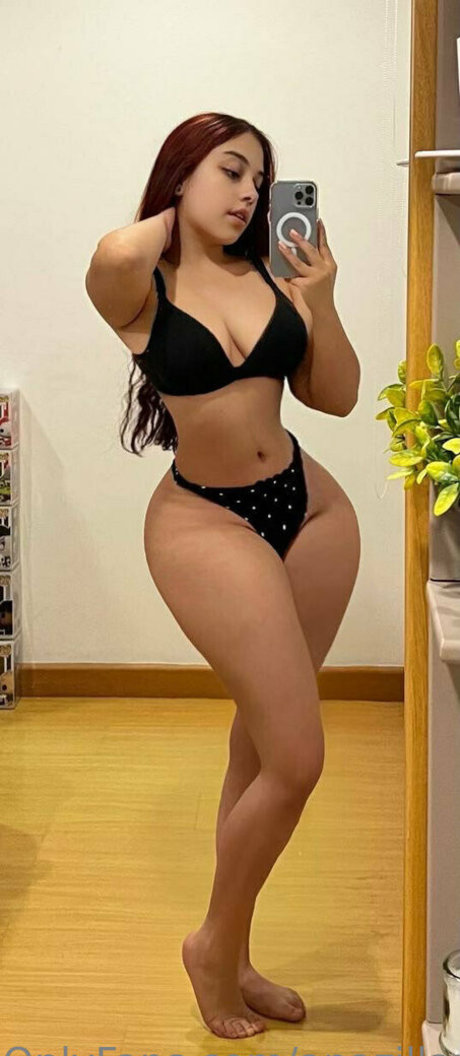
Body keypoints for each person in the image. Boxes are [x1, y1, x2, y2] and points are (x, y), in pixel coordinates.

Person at [85, 111, 361, 1040]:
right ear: (182, 176)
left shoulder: (274, 277)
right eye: (232, 172)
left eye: (261, 180)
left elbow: (335, 396)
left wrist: (321, 298)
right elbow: (113, 248)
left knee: (261, 745)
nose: (251, 194)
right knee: (298, 760)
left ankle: (235, 953)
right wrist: (180, 209)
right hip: (205, 520)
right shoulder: (140, 284)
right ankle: (211, 946)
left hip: (311, 512)